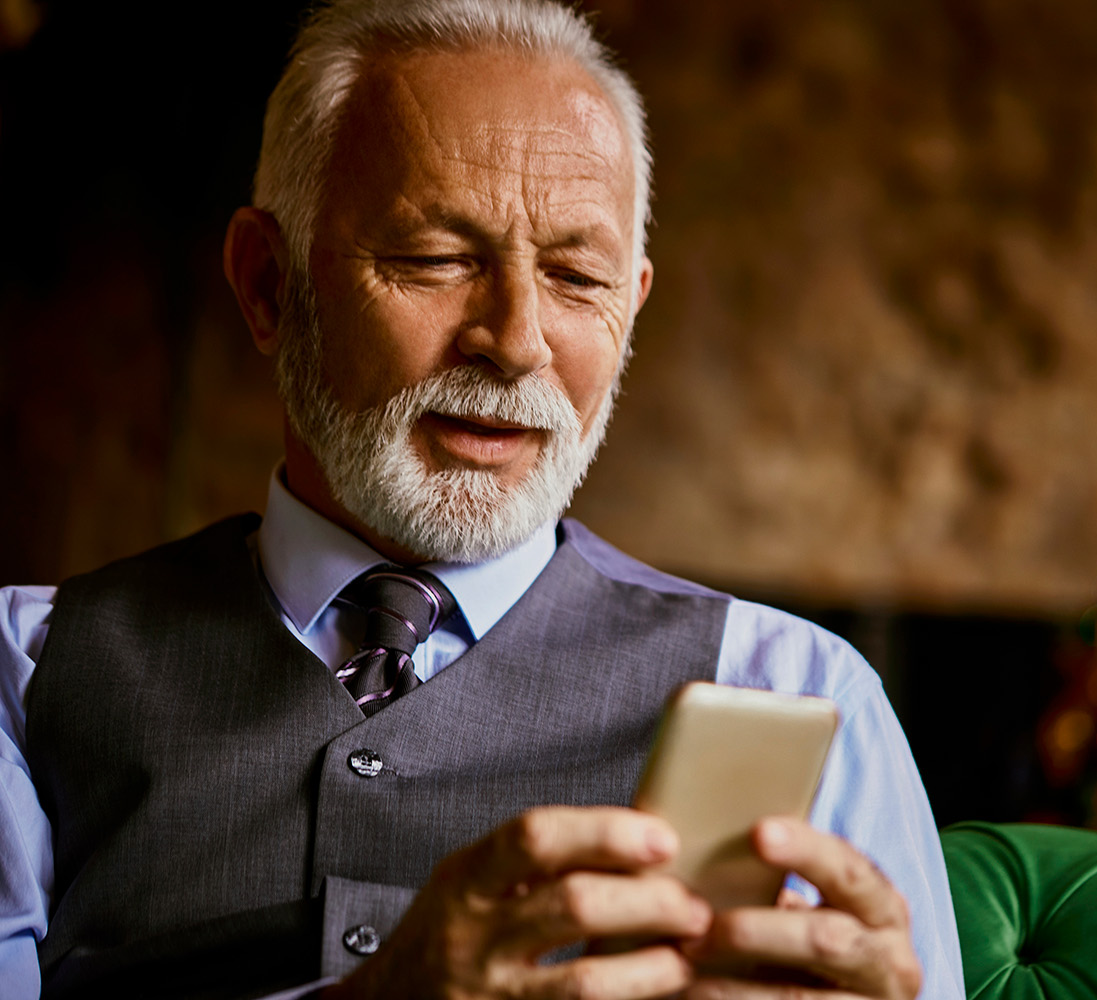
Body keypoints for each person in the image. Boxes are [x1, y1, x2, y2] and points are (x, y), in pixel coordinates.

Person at [0, 1, 963, 997]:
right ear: (267, 285)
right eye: (435, 259)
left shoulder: (801, 691)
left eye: (575, 275)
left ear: (630, 307)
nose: (515, 341)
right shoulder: (23, 673)